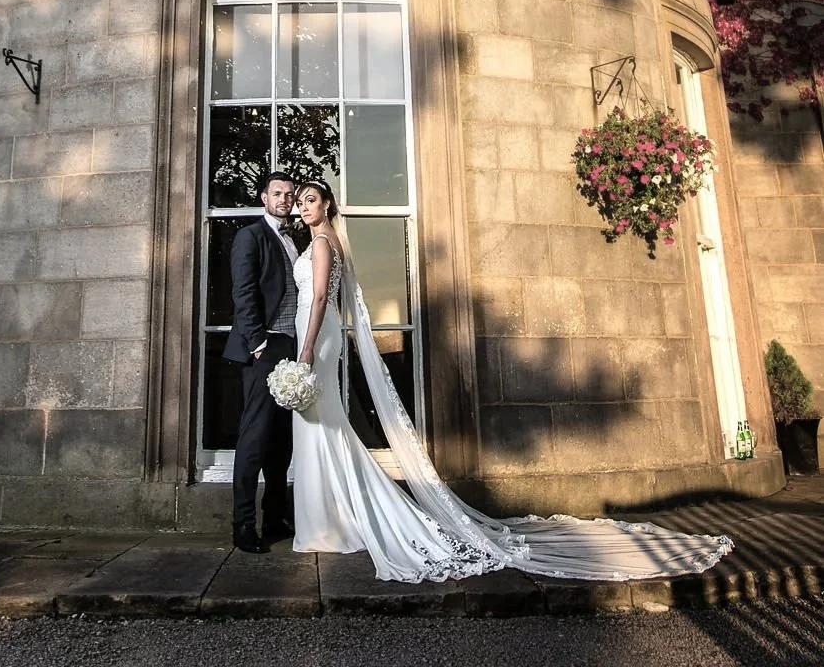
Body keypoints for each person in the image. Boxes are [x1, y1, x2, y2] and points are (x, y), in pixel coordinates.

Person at [290, 178, 735, 584]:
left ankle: (331, 522)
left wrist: (307, 347)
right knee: (323, 427)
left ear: (328, 204)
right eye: (301, 201)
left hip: (317, 335)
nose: (305, 206)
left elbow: (319, 300)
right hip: (315, 333)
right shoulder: (319, 242)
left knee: (318, 425)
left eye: (312, 200)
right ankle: (335, 518)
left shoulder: (326, 243)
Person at [223, 170, 298, 552]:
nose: (284, 199)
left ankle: (274, 516)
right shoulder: (250, 236)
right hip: (263, 349)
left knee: (281, 439)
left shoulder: (294, 239)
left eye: (289, 194)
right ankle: (242, 524)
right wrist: (257, 343)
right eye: (277, 194)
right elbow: (244, 292)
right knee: (254, 437)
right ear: (264, 198)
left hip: (292, 346)